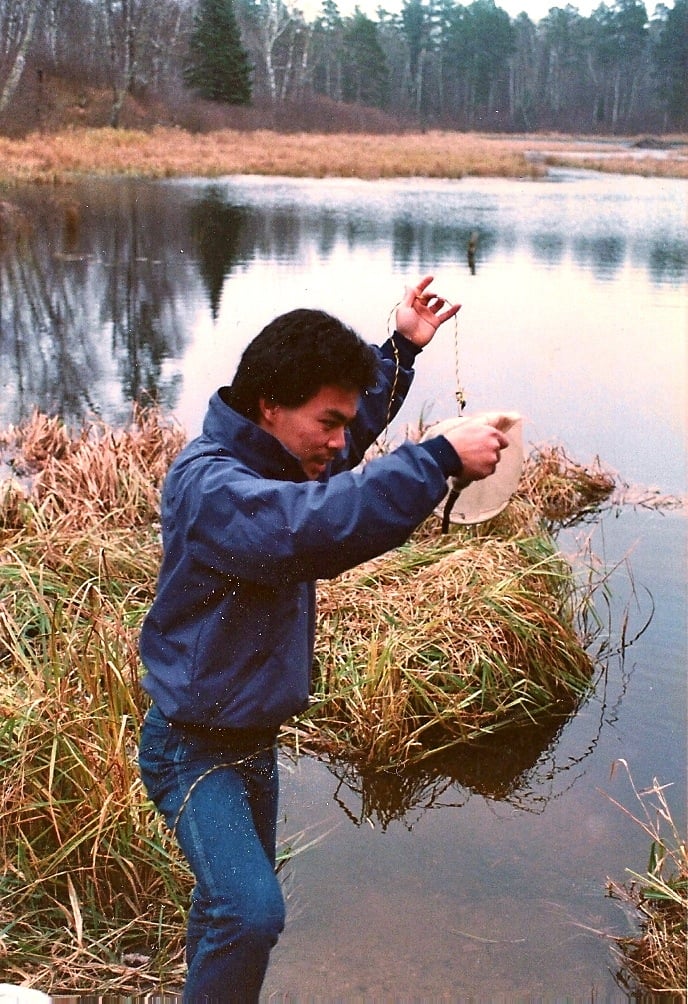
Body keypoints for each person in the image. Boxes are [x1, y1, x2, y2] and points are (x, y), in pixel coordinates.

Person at [138, 275, 511, 1003]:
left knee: (230, 911)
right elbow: (308, 527)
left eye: (344, 425)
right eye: (328, 422)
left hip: (252, 741)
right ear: (270, 406)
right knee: (251, 914)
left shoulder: (280, 455)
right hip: (191, 746)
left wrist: (400, 348)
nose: (343, 443)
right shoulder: (214, 487)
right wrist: (435, 459)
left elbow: (339, 445)